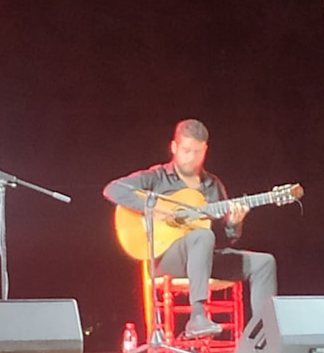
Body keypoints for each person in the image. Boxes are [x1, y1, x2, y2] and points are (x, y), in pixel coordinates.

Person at [103, 118, 277, 338]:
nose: (192, 158)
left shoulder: (213, 185)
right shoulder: (157, 177)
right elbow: (113, 189)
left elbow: (222, 239)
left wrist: (234, 223)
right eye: (186, 151)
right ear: (174, 147)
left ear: (205, 149)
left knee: (264, 263)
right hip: (166, 259)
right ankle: (197, 316)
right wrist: (155, 208)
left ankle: (263, 336)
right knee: (201, 235)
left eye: (197, 151)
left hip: (204, 258)